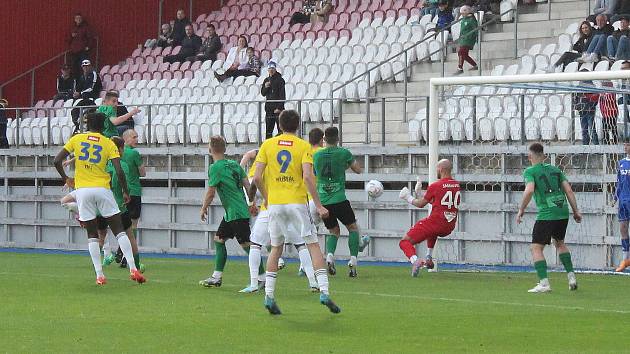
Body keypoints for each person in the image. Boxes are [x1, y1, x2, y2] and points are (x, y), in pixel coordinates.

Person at [250, 110, 340, 315]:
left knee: (276, 248)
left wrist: (267, 198)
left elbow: (256, 178)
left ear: (280, 126)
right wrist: (318, 205)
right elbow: (308, 177)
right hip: (297, 203)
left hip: (275, 204)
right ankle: (324, 291)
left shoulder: (268, 145)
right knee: (312, 244)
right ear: (297, 126)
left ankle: (269, 297)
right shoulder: (303, 146)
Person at [52, 112, 145, 285]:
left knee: (92, 235)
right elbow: (118, 171)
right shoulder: (108, 142)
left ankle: (99, 275)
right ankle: (133, 269)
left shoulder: (77, 139)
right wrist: (125, 191)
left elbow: (57, 160)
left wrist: (66, 179)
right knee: (119, 231)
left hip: (83, 191)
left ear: (87, 125)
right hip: (102, 189)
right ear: (103, 126)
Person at [239, 149, 319, 293]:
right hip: (293, 205)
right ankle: (314, 283)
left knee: (256, 243)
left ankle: (254, 284)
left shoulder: (267, 160)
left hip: (272, 206)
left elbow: (254, 182)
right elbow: (307, 178)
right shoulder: (297, 156)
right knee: (301, 244)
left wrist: (252, 203)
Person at [516, 143, 581, 293]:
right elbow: (569, 191)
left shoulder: (530, 171)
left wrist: (521, 209)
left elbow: (530, 189)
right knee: (560, 243)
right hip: (562, 212)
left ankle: (544, 283)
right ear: (544, 156)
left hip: (547, 214)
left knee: (536, 247)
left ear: (529, 157)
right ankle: (571, 277)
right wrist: (576, 211)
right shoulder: (556, 170)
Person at [199, 136, 257, 287]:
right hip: (234, 212)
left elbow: (211, 192)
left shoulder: (214, 168)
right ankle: (216, 277)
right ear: (225, 149)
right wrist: (252, 203)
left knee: (247, 245)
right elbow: (248, 186)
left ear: (210, 149)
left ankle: (262, 277)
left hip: (236, 212)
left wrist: (204, 208)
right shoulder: (234, 165)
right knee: (219, 239)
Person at [314, 127, 365, 277]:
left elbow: (315, 174)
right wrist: (345, 164)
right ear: (337, 138)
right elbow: (358, 170)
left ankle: (329, 256)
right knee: (352, 228)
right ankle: (353, 261)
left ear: (324, 139)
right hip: (339, 198)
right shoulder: (344, 153)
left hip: (323, 200)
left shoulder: (317, 155)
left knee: (333, 231)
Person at [398, 159, 461, 276]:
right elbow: (439, 202)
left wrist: (408, 197)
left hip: (435, 223)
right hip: (449, 226)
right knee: (433, 232)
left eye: (437, 168)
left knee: (404, 242)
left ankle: (415, 261)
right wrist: (420, 193)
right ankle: (428, 258)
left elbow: (421, 204)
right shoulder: (456, 185)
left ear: (440, 169)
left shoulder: (436, 185)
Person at [98, 136, 144, 272]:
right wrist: (126, 193)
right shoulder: (123, 165)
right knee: (129, 235)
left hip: (103, 206)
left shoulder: (103, 166)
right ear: (120, 149)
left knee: (100, 236)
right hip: (118, 205)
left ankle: (96, 267)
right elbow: (126, 185)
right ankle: (135, 266)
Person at [615, 143, 630, 272]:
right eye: (624, 145)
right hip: (623, 201)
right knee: (623, 229)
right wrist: (615, 198)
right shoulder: (621, 162)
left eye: (628, 145)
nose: (626, 147)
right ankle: (625, 260)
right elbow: (618, 182)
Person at [260, 61, 286, 139]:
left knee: (280, 129)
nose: (271, 70)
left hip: (277, 108)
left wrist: (279, 107)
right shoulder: (266, 80)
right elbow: (263, 93)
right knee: (268, 130)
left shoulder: (280, 80)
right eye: (269, 69)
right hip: (269, 108)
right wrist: (265, 87)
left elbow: (282, 95)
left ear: (275, 69)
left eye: (272, 68)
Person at [573, 76, 600, 145]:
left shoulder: (592, 87)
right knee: (584, 129)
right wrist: (577, 106)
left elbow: (596, 98)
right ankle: (585, 146)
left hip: (590, 110)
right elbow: (574, 98)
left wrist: (589, 102)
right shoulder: (577, 88)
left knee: (592, 129)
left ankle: (596, 146)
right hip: (582, 111)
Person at [68, 13, 94, 77]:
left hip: (82, 51)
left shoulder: (85, 28)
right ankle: (75, 82)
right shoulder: (73, 28)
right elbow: (68, 39)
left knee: (83, 67)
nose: (78, 20)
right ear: (75, 20)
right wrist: (71, 36)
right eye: (77, 18)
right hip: (74, 51)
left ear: (82, 19)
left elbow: (90, 38)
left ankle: (83, 81)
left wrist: (88, 47)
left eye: (80, 18)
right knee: (74, 67)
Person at [455, 6, 479, 75]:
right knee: (463, 54)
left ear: (467, 12)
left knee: (461, 52)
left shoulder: (472, 20)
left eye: (463, 13)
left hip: (469, 39)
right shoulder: (463, 20)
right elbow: (461, 31)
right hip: (463, 39)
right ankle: (475, 65)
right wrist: (459, 41)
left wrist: (476, 37)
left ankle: (460, 68)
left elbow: (476, 29)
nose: (462, 15)